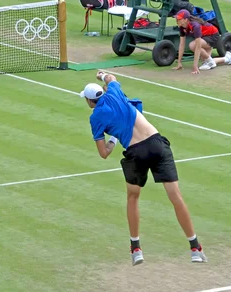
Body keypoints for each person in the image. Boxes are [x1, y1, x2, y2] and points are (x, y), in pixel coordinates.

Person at [79, 72, 208, 266]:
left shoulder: (95, 118)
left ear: (90, 101)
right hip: (157, 144)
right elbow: (111, 79)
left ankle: (136, 250)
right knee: (175, 196)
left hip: (135, 152)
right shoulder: (113, 91)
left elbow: (104, 153)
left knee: (133, 197)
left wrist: (113, 138)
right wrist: (102, 75)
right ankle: (195, 248)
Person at [173, 9, 231, 74]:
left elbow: (198, 46)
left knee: (192, 45)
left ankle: (213, 60)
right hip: (205, 37)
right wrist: (179, 63)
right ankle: (228, 58)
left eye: (179, 19)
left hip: (213, 36)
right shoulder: (182, 27)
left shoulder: (195, 26)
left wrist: (195, 66)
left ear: (186, 20)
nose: (177, 20)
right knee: (206, 61)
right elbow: (181, 44)